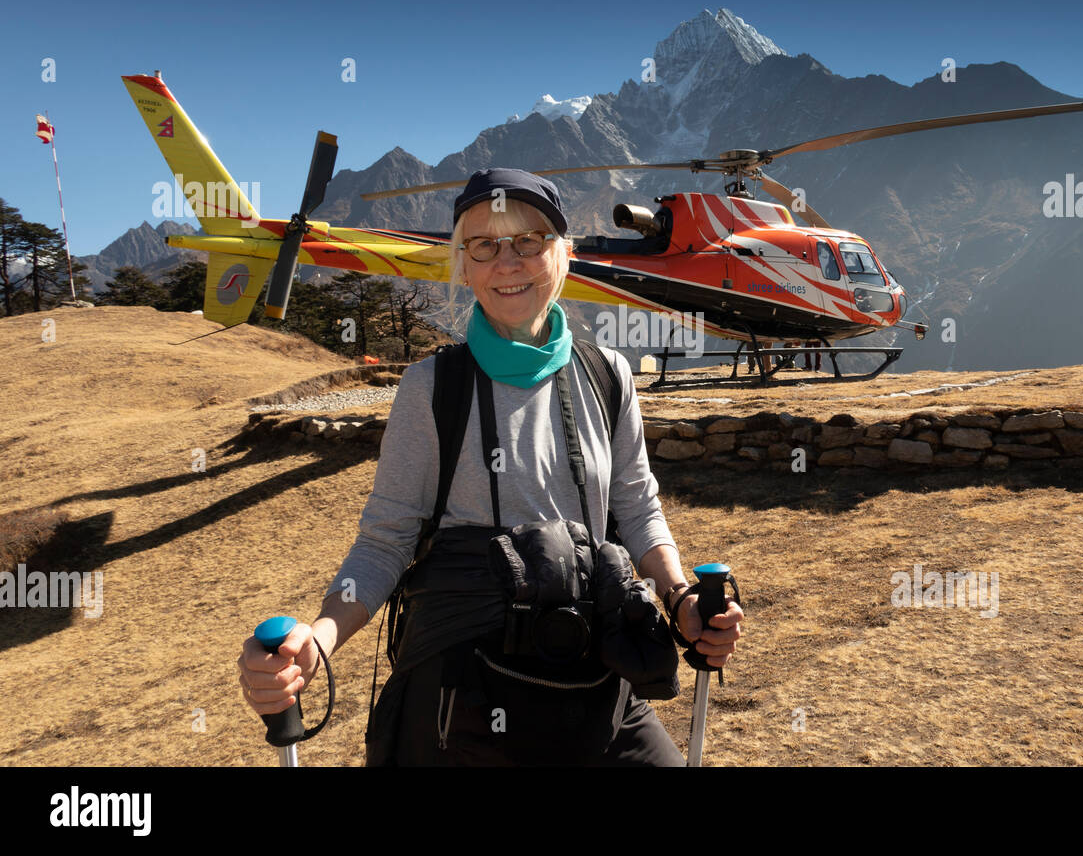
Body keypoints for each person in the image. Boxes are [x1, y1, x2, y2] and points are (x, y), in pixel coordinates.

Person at [237, 168, 743, 765]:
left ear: (565, 253)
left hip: (597, 670)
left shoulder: (608, 376)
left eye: (530, 240)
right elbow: (386, 540)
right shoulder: (431, 388)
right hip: (464, 693)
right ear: (464, 265)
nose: (509, 262)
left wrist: (681, 597)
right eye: (484, 245)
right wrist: (317, 640)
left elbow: (636, 510)